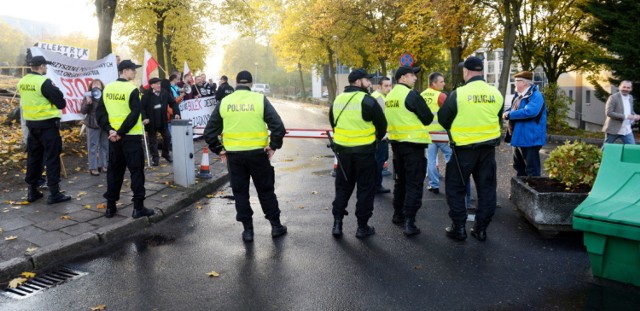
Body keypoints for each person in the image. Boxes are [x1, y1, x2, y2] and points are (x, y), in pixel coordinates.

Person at [203, 70, 287, 243]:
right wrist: (273, 146)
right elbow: (278, 126)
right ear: (251, 83)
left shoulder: (225, 102)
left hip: (235, 157)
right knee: (265, 191)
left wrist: (219, 149)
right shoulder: (259, 100)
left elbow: (209, 131)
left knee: (240, 193)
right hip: (258, 155)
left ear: (236, 83)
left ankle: (248, 231)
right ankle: (276, 226)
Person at [438, 56, 503, 242]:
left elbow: (443, 119)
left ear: (466, 71)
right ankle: (481, 229)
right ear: (481, 71)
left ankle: (459, 228)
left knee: (455, 188)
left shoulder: (458, 93)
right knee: (487, 189)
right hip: (488, 150)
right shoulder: (495, 93)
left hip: (463, 151)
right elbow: (497, 117)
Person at [329, 69, 387, 238]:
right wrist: (375, 139)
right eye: (367, 80)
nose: (369, 83)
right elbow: (382, 126)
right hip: (365, 154)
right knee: (365, 190)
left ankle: (337, 224)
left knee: (342, 188)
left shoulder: (337, 100)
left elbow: (333, 123)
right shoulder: (367, 100)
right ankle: (362, 227)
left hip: (343, 154)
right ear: (358, 81)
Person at [96, 60, 155, 219]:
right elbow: (135, 114)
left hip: (113, 138)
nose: (135, 73)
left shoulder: (107, 88)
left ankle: (110, 207)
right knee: (136, 172)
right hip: (130, 137)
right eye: (133, 70)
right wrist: (121, 132)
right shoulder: (131, 89)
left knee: (114, 172)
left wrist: (110, 130)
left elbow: (100, 113)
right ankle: (138, 207)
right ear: (125, 71)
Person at [385, 66, 433, 236]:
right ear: (403, 77)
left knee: (400, 182)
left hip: (397, 145)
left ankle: (398, 215)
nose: (415, 78)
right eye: (412, 75)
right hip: (414, 146)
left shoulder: (389, 96)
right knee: (414, 184)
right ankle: (410, 222)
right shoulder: (411, 95)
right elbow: (428, 118)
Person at [17, 55, 71, 204]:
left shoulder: (22, 82)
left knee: (33, 159)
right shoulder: (44, 82)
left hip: (32, 126)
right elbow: (60, 103)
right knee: (52, 158)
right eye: (45, 66)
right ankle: (54, 193)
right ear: (41, 67)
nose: (46, 68)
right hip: (47, 126)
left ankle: (32, 191)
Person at [502, 71, 547, 176]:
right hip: (518, 138)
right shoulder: (519, 96)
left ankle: (532, 191)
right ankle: (521, 191)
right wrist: (507, 112)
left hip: (530, 139)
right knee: (519, 168)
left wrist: (510, 114)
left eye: (516, 81)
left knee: (532, 171)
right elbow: (513, 108)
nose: (514, 84)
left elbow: (530, 112)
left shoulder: (536, 95)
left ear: (525, 83)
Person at [421, 72, 451, 194]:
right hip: (442, 133)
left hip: (427, 134)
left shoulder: (420, 95)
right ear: (433, 83)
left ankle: (434, 185)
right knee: (450, 157)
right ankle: (452, 183)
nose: (444, 83)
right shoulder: (441, 96)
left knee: (431, 160)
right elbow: (450, 113)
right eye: (441, 81)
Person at [141, 77, 180, 166]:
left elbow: (173, 103)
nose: (159, 85)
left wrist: (176, 112)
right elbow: (142, 108)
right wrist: (144, 118)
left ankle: (165, 153)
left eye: (159, 83)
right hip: (151, 122)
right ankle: (155, 158)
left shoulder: (164, 92)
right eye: (157, 84)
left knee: (167, 137)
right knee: (153, 141)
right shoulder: (146, 95)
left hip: (162, 120)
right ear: (152, 85)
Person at [80, 79, 109, 176]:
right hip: (92, 124)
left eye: (98, 84)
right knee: (93, 146)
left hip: (103, 124)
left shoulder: (105, 95)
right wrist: (88, 103)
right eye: (94, 84)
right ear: (91, 87)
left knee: (104, 145)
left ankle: (103, 165)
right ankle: (93, 167)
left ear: (102, 86)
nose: (96, 86)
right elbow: (83, 111)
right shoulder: (88, 96)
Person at [370, 77, 393, 194]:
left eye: (390, 85)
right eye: (386, 86)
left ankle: (374, 184)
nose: (389, 88)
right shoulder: (379, 98)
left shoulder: (380, 96)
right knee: (378, 161)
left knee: (380, 160)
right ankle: (376, 186)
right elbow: (380, 119)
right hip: (380, 136)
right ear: (379, 86)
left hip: (378, 135)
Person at [601, 80, 638, 145]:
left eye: (628, 87)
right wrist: (626, 116)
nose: (626, 89)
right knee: (606, 149)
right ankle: (600, 155)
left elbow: (630, 111)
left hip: (627, 130)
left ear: (631, 89)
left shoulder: (630, 97)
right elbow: (609, 112)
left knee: (632, 149)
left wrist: (635, 116)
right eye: (624, 87)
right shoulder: (613, 97)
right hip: (614, 129)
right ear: (619, 87)